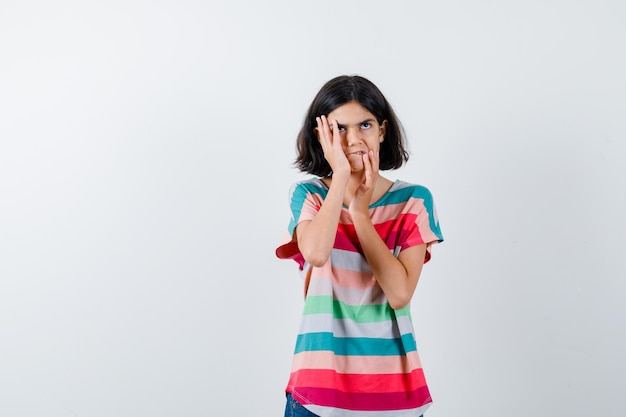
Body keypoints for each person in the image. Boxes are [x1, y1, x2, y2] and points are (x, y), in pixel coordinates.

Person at [276, 75, 444, 417]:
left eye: (365, 125)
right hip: (318, 391)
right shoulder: (308, 195)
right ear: (321, 136)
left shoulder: (414, 200)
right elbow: (317, 253)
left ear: (382, 130)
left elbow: (399, 294)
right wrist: (340, 177)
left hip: (394, 391)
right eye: (338, 128)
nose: (353, 139)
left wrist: (360, 216)